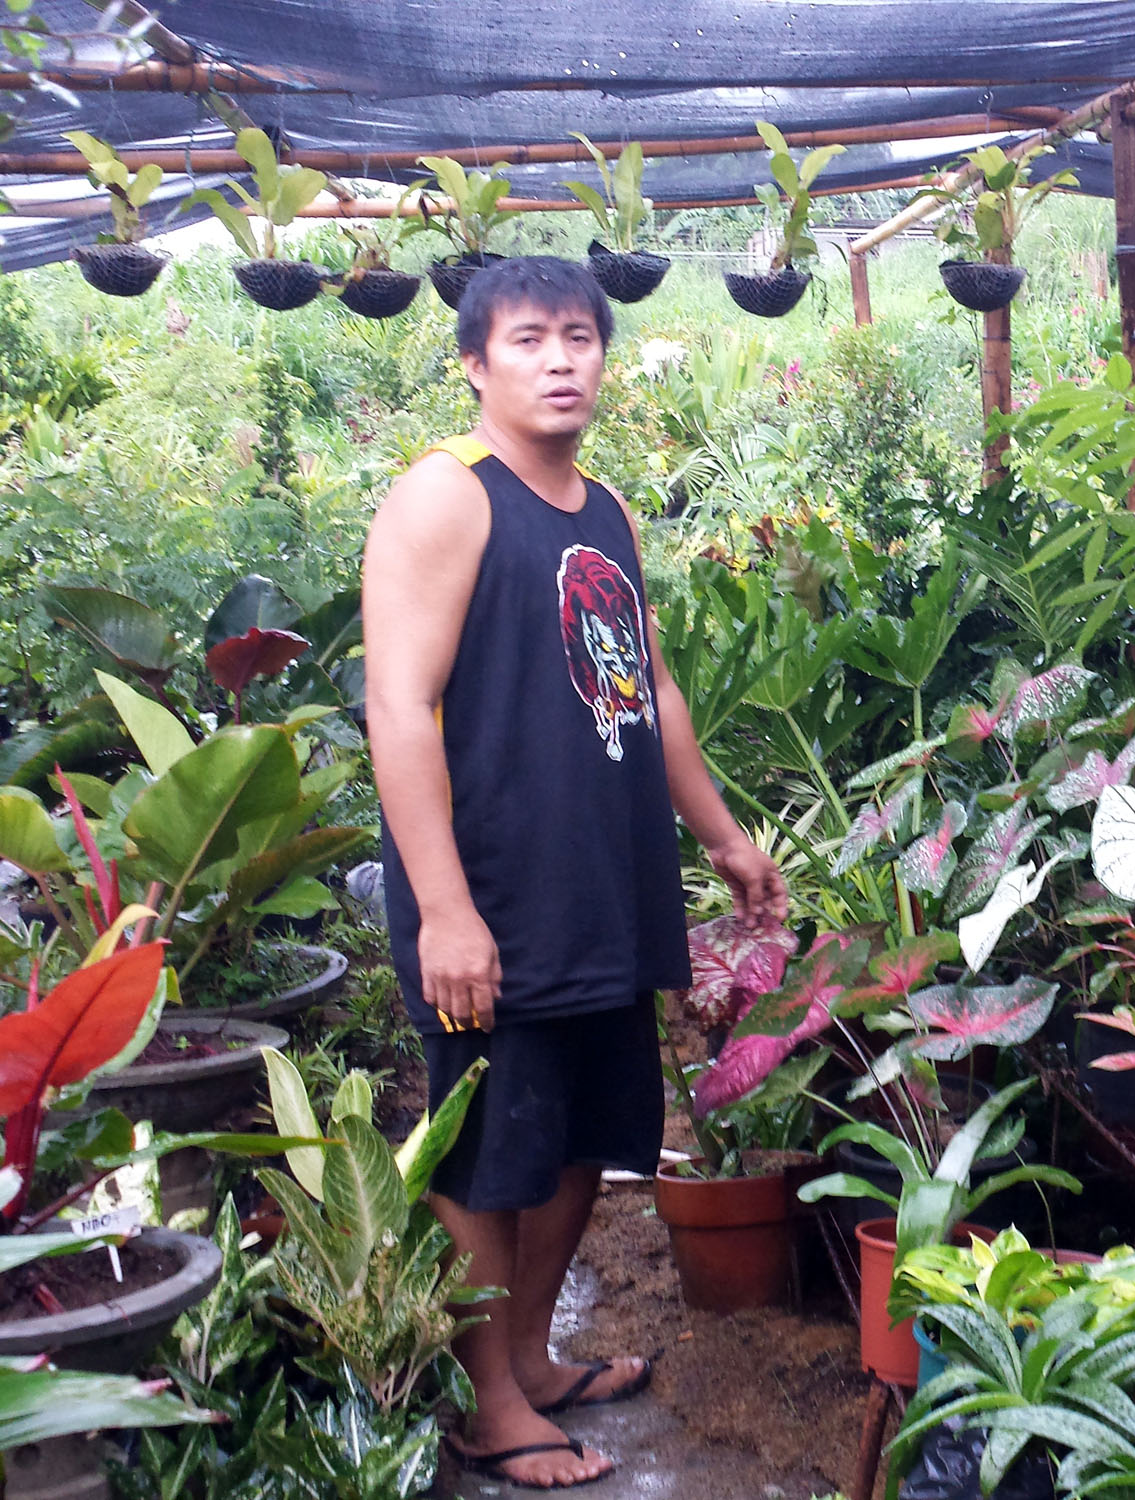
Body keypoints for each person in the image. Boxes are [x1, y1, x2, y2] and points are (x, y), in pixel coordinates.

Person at [363, 256, 787, 1490]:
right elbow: (398, 706)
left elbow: (647, 690)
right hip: (493, 888)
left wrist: (720, 835)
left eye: (579, 338)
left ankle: (534, 1358)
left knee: (585, 1137)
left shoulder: (605, 510)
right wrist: (443, 907)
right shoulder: (447, 499)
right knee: (492, 1143)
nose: (560, 359)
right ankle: (491, 1402)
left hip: (604, 878)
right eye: (530, 339)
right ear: (475, 364)